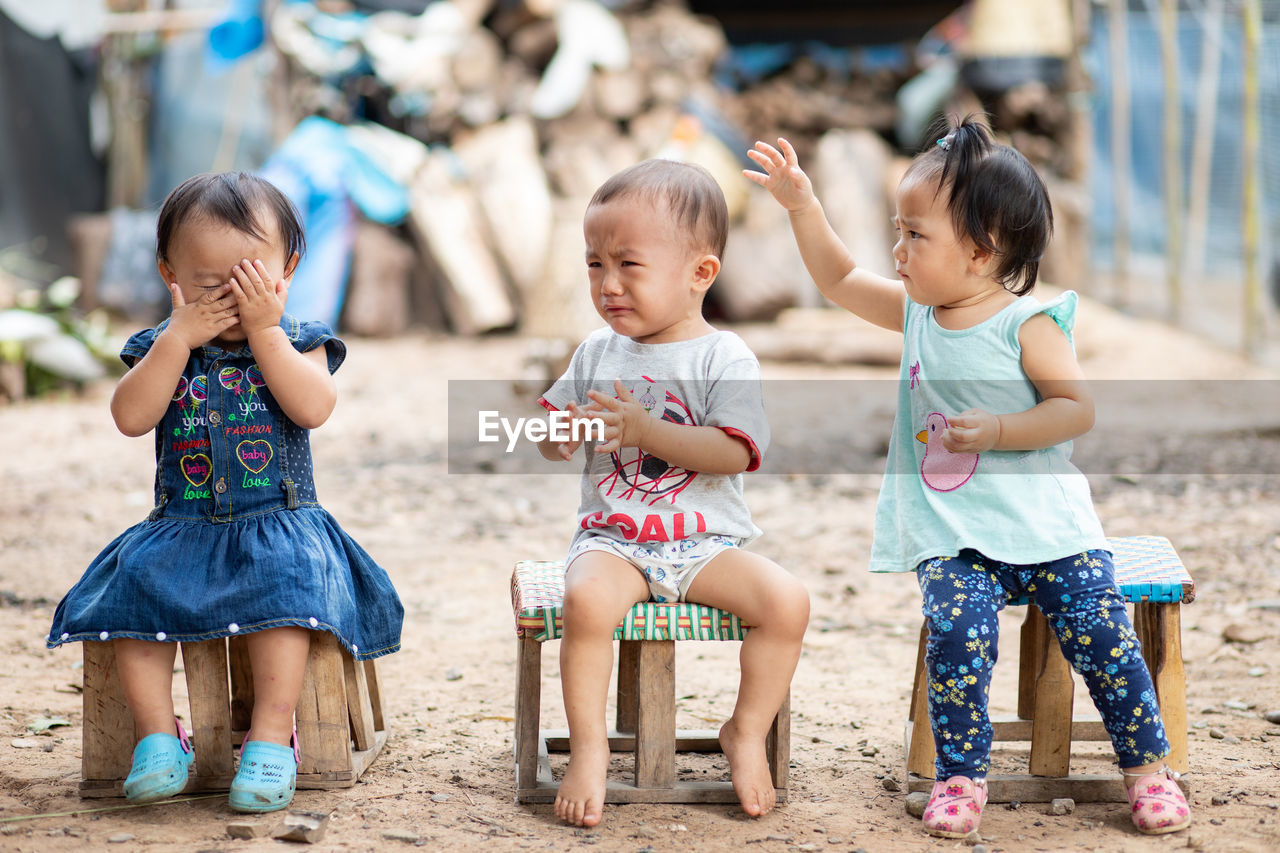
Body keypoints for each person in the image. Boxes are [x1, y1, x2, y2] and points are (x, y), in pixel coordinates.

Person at [745, 117, 1191, 837]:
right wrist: (804, 207)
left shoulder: (1028, 323)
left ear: (981, 254)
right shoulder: (919, 313)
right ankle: (960, 773)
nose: (898, 249)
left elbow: (1074, 409)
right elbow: (836, 279)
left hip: (1049, 531)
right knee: (957, 632)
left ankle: (1147, 766)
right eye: (899, 230)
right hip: (956, 534)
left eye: (916, 236)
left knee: (1102, 633)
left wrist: (1003, 430)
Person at [47, 172, 403, 813]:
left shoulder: (300, 341)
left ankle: (270, 738)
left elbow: (314, 406)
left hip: (279, 524)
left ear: (287, 269)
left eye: (249, 281)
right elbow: (130, 418)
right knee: (130, 595)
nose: (232, 302)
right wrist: (177, 338)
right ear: (169, 276)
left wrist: (267, 331)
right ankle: (160, 737)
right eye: (211, 287)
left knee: (289, 593)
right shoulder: (161, 346)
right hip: (181, 525)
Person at [537, 159, 810, 828]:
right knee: (586, 600)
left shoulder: (724, 358)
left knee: (787, 600)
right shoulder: (596, 352)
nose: (608, 284)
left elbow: (732, 451)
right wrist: (560, 431)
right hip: (615, 540)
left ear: (699, 274)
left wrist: (642, 428)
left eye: (629, 265)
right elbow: (547, 434)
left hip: (706, 542)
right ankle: (591, 744)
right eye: (595, 264)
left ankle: (744, 728)